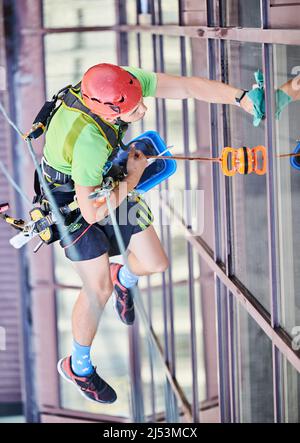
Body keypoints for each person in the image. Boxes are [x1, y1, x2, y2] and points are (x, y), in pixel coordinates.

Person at [42, 63, 253, 404]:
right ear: (109, 111)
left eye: (140, 102)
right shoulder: (90, 143)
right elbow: (91, 212)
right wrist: (134, 176)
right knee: (98, 288)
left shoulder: (114, 83)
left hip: (107, 179)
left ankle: (124, 275)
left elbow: (186, 85)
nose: (143, 109)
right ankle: (77, 366)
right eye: (133, 109)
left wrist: (239, 97)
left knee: (156, 263)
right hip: (72, 200)